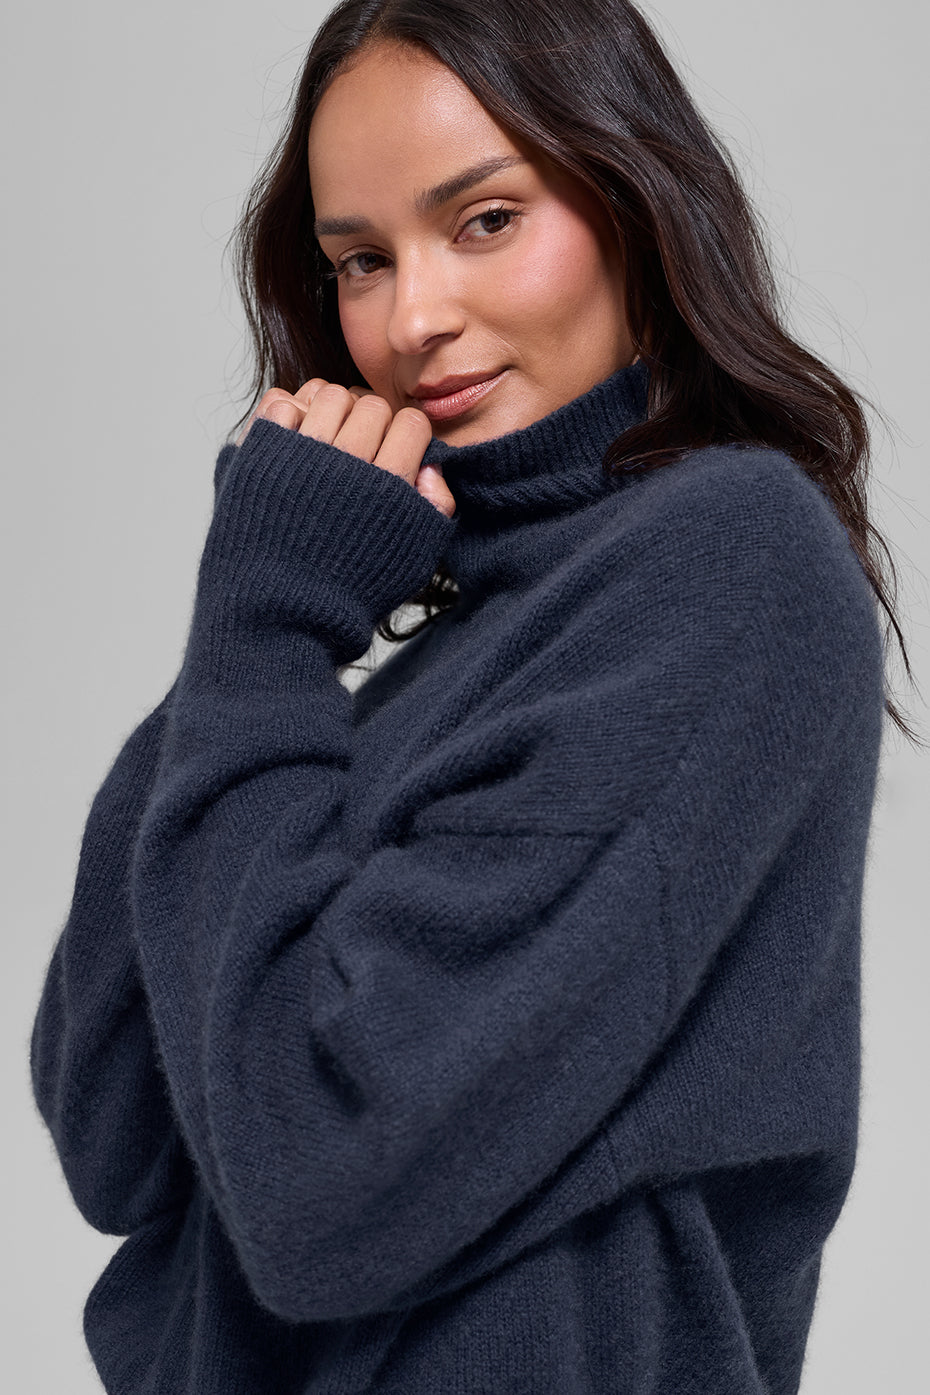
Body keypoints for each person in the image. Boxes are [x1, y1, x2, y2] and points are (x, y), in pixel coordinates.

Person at [29, 1, 916, 1391]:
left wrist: (266, 633)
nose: (414, 319)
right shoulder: (425, 648)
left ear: (633, 203)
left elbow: (316, 1189)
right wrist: (252, 623)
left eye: (486, 219)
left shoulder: (724, 559)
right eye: (361, 261)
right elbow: (114, 1133)